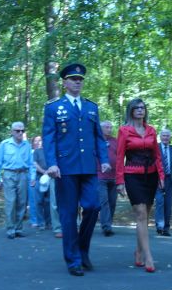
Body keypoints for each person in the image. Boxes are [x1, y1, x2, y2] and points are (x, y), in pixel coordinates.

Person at [42, 63, 110, 276]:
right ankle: (73, 260)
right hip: (65, 168)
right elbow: (49, 138)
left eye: (80, 79)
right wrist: (52, 163)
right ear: (65, 82)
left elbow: (98, 137)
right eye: (73, 79)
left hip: (88, 167)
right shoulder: (53, 107)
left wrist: (104, 159)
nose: (77, 82)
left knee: (93, 206)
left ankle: (82, 249)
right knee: (68, 214)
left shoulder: (91, 107)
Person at [116, 99, 164, 273]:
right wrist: (119, 181)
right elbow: (120, 156)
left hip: (151, 176)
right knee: (141, 214)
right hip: (132, 176)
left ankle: (138, 251)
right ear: (130, 111)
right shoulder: (124, 130)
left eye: (142, 107)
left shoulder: (151, 130)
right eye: (136, 108)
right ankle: (148, 256)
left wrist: (161, 176)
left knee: (145, 216)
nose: (140, 110)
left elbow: (157, 155)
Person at [0, 122, 36, 239]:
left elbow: (31, 163)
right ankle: (10, 229)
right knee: (11, 202)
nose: (20, 133)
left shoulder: (27, 145)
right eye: (17, 131)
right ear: (12, 132)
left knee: (22, 203)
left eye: (22, 130)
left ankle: (18, 228)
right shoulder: (4, 144)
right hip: (9, 175)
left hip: (23, 175)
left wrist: (33, 177)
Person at [154, 128, 172, 236]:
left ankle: (166, 228)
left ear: (170, 137)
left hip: (170, 180)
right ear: (160, 137)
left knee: (168, 205)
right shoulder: (155, 148)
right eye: (164, 135)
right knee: (159, 202)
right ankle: (159, 225)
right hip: (158, 180)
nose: (165, 137)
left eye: (167, 136)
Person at [33, 135, 62, 237]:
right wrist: (44, 172)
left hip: (54, 175)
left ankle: (49, 223)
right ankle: (42, 223)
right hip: (41, 178)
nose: (41, 142)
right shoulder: (37, 151)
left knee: (49, 201)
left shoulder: (55, 148)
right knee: (40, 201)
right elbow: (34, 164)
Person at [97, 121, 118, 237]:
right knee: (104, 201)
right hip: (100, 176)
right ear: (101, 128)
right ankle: (106, 227)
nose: (109, 129)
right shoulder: (96, 140)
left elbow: (120, 157)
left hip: (114, 177)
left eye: (110, 127)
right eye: (107, 127)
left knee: (112, 202)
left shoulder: (115, 141)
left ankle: (108, 223)